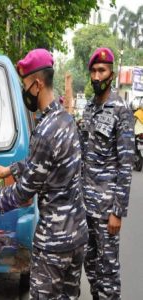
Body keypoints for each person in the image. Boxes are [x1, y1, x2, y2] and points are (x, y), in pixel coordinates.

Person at [0, 48, 88, 299]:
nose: (24, 91)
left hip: (54, 242)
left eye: (25, 84)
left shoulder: (45, 131)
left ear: (37, 84)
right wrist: (10, 169)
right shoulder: (65, 120)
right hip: (77, 234)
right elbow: (45, 163)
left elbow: (25, 191)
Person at [78, 48, 135, 300]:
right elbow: (80, 155)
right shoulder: (89, 108)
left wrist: (117, 211)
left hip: (106, 209)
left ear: (111, 74)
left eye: (101, 70)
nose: (96, 76)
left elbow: (126, 163)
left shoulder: (121, 110)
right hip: (85, 207)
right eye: (93, 71)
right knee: (90, 267)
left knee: (108, 270)